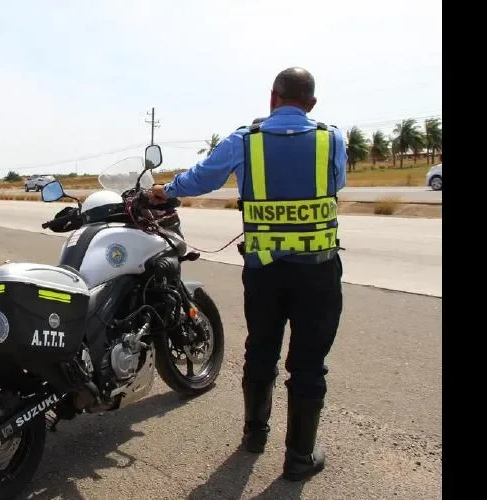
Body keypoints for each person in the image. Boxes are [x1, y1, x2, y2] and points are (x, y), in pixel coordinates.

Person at [149, 67, 347, 482]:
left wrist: (167, 191)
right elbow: (337, 182)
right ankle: (299, 459)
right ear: (311, 104)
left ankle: (255, 435)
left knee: (261, 352)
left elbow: (202, 177)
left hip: (265, 272)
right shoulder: (332, 138)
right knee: (309, 365)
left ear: (272, 98)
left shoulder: (245, 139)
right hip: (317, 272)